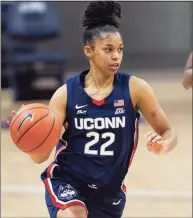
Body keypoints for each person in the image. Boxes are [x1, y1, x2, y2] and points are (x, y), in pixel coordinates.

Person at [8, 2, 178, 218]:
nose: (116, 56)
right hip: (68, 182)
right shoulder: (65, 94)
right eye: (108, 49)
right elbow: (40, 156)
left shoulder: (135, 89)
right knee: (75, 215)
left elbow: (169, 132)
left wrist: (163, 146)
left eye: (120, 49)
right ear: (88, 50)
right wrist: (28, 136)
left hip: (109, 191)